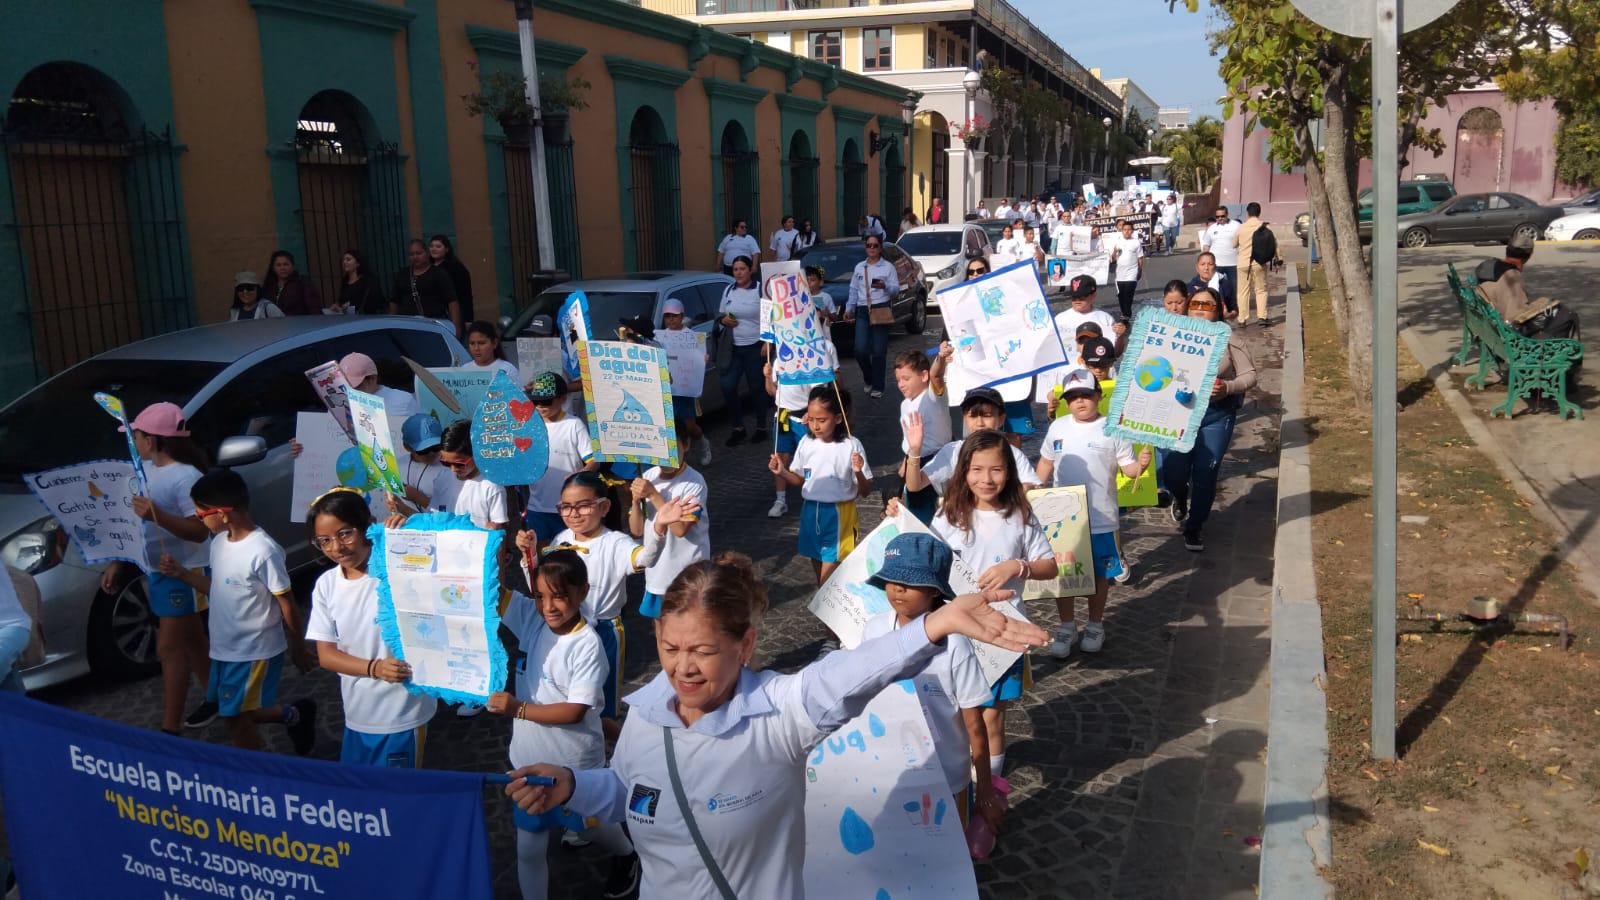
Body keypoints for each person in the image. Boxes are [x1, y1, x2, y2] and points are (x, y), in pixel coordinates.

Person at [503, 554, 1047, 900]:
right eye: (670, 649)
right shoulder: (646, 715)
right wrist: (578, 785)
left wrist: (934, 625)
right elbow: (630, 789)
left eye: (702, 651)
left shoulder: (779, 712)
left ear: (744, 646)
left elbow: (851, 674)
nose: (682, 668)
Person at [889, 429, 1055, 780]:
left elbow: (1049, 565)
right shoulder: (950, 515)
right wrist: (897, 516)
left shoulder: (1021, 515)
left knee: (992, 716)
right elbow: (924, 553)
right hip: (957, 632)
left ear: (1008, 471)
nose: (986, 479)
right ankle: (963, 779)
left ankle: (989, 786)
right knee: (962, 713)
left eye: (995, 470)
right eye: (977, 469)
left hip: (1003, 634)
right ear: (964, 471)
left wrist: (1018, 565)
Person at [486, 550, 640, 900]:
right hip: (528, 763)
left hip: (576, 766)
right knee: (529, 849)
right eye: (541, 596)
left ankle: (627, 853)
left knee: (597, 827)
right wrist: (496, 558)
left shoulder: (587, 645)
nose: (549, 606)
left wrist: (517, 709)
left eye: (560, 596)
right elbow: (489, 591)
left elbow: (573, 711)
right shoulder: (531, 618)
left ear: (582, 592)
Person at [514, 471, 692, 738]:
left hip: (604, 632)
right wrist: (528, 556)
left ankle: (620, 749)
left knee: (602, 703)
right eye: (566, 507)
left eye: (583, 505)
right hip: (564, 632)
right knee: (564, 691)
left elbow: (645, 558)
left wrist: (657, 528)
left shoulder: (615, 542)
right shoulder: (559, 540)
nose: (574, 514)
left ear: (604, 507)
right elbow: (540, 585)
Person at [159, 469, 316, 753]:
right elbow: (218, 589)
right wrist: (182, 574)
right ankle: (294, 715)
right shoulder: (218, 543)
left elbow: (287, 603)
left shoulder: (263, 550)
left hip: (254, 650)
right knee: (236, 709)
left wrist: (299, 647)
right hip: (224, 649)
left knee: (233, 716)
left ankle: (256, 774)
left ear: (224, 514)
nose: (197, 517)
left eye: (201, 513)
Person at [861, 533, 1002, 839]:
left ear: (936, 590)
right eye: (891, 579)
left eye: (910, 582)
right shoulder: (873, 630)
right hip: (890, 769)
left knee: (950, 845)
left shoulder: (955, 644)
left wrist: (986, 789)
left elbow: (974, 722)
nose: (898, 588)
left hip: (948, 774)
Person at [304, 489, 435, 767]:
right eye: (324, 541)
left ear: (368, 524)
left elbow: (447, 552)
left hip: (401, 714)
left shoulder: (397, 565)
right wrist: (374, 668)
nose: (337, 548)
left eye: (345, 534)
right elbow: (326, 655)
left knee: (397, 801)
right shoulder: (327, 585)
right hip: (357, 715)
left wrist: (409, 530)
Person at [107, 403, 213, 734]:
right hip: (158, 571)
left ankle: (170, 728)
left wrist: (158, 515)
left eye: (135, 435)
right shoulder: (143, 470)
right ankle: (221, 697)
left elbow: (199, 531)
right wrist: (117, 562)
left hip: (184, 572)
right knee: (193, 640)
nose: (133, 441)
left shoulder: (186, 477)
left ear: (150, 440)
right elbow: (131, 524)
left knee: (168, 647)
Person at [1037, 369, 1152, 657]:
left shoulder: (1113, 428)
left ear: (1098, 396)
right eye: (1072, 397)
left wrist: (1143, 465)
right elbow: (1044, 467)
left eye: (1085, 395)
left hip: (1101, 518)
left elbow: (1129, 469)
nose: (1079, 401)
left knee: (1099, 576)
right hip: (1062, 520)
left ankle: (1095, 624)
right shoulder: (1057, 428)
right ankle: (1066, 626)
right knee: (1063, 575)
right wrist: (1028, 492)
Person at [1163, 288, 1257, 552]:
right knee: (1173, 472)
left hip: (1216, 416)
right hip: (1177, 417)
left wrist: (1228, 387)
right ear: (1187, 307)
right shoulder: (1166, 335)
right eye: (1195, 304)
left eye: (1208, 305)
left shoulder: (1229, 338)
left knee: (1206, 473)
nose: (1200, 310)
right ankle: (1180, 496)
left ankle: (1195, 526)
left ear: (1218, 310)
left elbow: (1250, 375)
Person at [770, 385, 869, 589]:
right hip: (810, 511)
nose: (815, 426)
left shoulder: (851, 445)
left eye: (822, 420)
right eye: (812, 419)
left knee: (828, 579)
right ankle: (829, 606)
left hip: (839, 514)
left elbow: (866, 491)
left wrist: (858, 471)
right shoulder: (806, 442)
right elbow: (800, 479)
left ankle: (829, 607)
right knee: (819, 574)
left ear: (838, 418)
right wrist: (782, 472)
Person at [628, 432, 711, 619]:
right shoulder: (648, 475)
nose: (665, 456)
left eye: (672, 448)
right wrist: (634, 502)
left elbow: (680, 529)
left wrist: (653, 495)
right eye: (659, 449)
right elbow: (636, 530)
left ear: (686, 444)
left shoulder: (694, 482)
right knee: (661, 631)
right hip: (657, 574)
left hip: (687, 574)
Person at [903, 385, 1042, 497]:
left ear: (1001, 419)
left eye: (987, 415)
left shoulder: (1013, 454)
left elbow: (1036, 489)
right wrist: (914, 451)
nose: (980, 423)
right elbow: (914, 485)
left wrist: (1028, 488)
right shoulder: (952, 451)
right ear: (964, 418)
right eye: (973, 416)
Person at [522, 373, 598, 546]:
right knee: (538, 555)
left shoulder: (574, 424)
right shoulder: (529, 426)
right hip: (536, 506)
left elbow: (594, 460)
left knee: (568, 555)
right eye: (535, 401)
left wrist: (577, 477)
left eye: (546, 401)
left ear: (563, 399)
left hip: (569, 508)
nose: (540, 406)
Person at [1475, 232, 1582, 340]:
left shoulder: (1487, 265)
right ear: (1530, 255)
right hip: (1505, 332)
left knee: (1549, 307)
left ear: (1507, 250)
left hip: (1486, 322)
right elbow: (1514, 317)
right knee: (1563, 315)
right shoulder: (1512, 278)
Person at [894, 349, 951, 525]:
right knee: (915, 510)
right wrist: (906, 459)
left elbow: (937, 375)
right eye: (898, 380)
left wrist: (940, 357)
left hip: (937, 460)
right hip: (914, 460)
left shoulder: (933, 397)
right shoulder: (905, 404)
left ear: (924, 376)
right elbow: (908, 437)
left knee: (938, 511)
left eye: (906, 378)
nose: (901, 384)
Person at [716, 256, 769, 445]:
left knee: (757, 388)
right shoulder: (729, 290)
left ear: (750, 270)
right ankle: (737, 427)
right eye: (735, 269)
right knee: (728, 385)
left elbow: (772, 316)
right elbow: (721, 314)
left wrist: (768, 342)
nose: (738, 272)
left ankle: (761, 426)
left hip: (755, 347)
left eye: (742, 269)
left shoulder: (760, 290)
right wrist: (723, 320)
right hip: (734, 349)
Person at [843, 235, 898, 399]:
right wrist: (849, 308)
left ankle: (878, 385)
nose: (872, 248)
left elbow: (895, 290)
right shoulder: (860, 267)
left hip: (881, 308)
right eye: (869, 245)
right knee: (860, 350)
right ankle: (869, 378)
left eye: (875, 245)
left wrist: (885, 286)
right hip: (862, 310)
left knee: (879, 351)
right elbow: (853, 289)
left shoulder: (888, 267)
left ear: (880, 248)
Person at [660, 300, 711, 466]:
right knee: (672, 425)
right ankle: (680, 457)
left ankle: (702, 442)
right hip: (669, 388)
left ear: (681, 316)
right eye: (667, 316)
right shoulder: (661, 337)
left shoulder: (691, 336)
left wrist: (702, 360)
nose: (671, 320)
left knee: (689, 426)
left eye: (674, 316)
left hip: (686, 387)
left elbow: (699, 358)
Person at [391, 413, 461, 515]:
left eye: (436, 447)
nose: (432, 453)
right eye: (424, 450)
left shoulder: (449, 469)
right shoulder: (397, 466)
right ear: (407, 447)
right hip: (407, 527)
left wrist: (418, 497)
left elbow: (450, 512)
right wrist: (393, 504)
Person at [391, 238, 461, 335]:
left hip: (433, 325)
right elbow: (394, 301)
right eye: (412, 254)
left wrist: (456, 326)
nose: (415, 257)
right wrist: (393, 324)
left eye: (418, 253)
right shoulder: (402, 275)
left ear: (427, 253)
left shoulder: (438, 274)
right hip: (408, 326)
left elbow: (452, 301)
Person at [340, 351, 419, 421]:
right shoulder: (341, 404)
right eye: (346, 386)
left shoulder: (403, 400)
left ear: (373, 378)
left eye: (357, 386)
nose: (352, 390)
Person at [1234, 202, 1271, 326]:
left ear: (1248, 213)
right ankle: (1262, 317)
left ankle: (1242, 319)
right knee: (1261, 290)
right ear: (1259, 213)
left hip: (1243, 263)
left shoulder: (1241, 227)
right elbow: (1274, 244)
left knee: (1243, 292)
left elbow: (1233, 244)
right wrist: (1279, 258)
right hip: (1259, 262)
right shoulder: (1264, 227)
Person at [1201, 207, 1242, 318]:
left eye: (1222, 216)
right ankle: (1219, 308)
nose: (1220, 218)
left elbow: (1243, 241)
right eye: (1217, 217)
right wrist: (1205, 259)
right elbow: (1206, 245)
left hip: (1233, 263)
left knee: (1233, 287)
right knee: (1216, 286)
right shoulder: (1211, 228)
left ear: (1227, 214)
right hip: (1217, 264)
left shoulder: (1236, 226)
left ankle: (1234, 308)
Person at [428, 235, 475, 326]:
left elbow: (465, 294)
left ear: (446, 249)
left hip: (451, 313)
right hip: (432, 314)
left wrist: (468, 319)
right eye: (431, 246)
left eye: (438, 246)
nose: (434, 249)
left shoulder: (456, 268)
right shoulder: (427, 267)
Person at [260, 250, 320, 316]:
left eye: (286, 264)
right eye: (278, 265)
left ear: (292, 266)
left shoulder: (303, 284)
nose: (282, 268)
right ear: (273, 268)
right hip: (274, 324)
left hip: (297, 324)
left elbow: (314, 308)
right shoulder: (269, 286)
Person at [1108, 219, 1144, 320]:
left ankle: (1127, 314)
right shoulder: (1118, 242)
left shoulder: (1136, 243)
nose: (1127, 231)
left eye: (1129, 229)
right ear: (1122, 231)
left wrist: (1140, 270)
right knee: (1121, 295)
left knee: (1129, 293)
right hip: (1120, 274)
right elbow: (1113, 259)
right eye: (1125, 229)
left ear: (1132, 231)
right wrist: (1114, 252)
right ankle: (1124, 311)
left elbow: (1140, 258)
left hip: (1132, 272)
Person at [334, 249, 385, 315]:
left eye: (348, 259)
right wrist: (337, 306)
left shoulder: (367, 281)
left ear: (357, 263)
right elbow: (341, 301)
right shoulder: (345, 281)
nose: (344, 262)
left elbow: (374, 302)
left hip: (365, 318)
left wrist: (349, 306)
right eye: (343, 260)